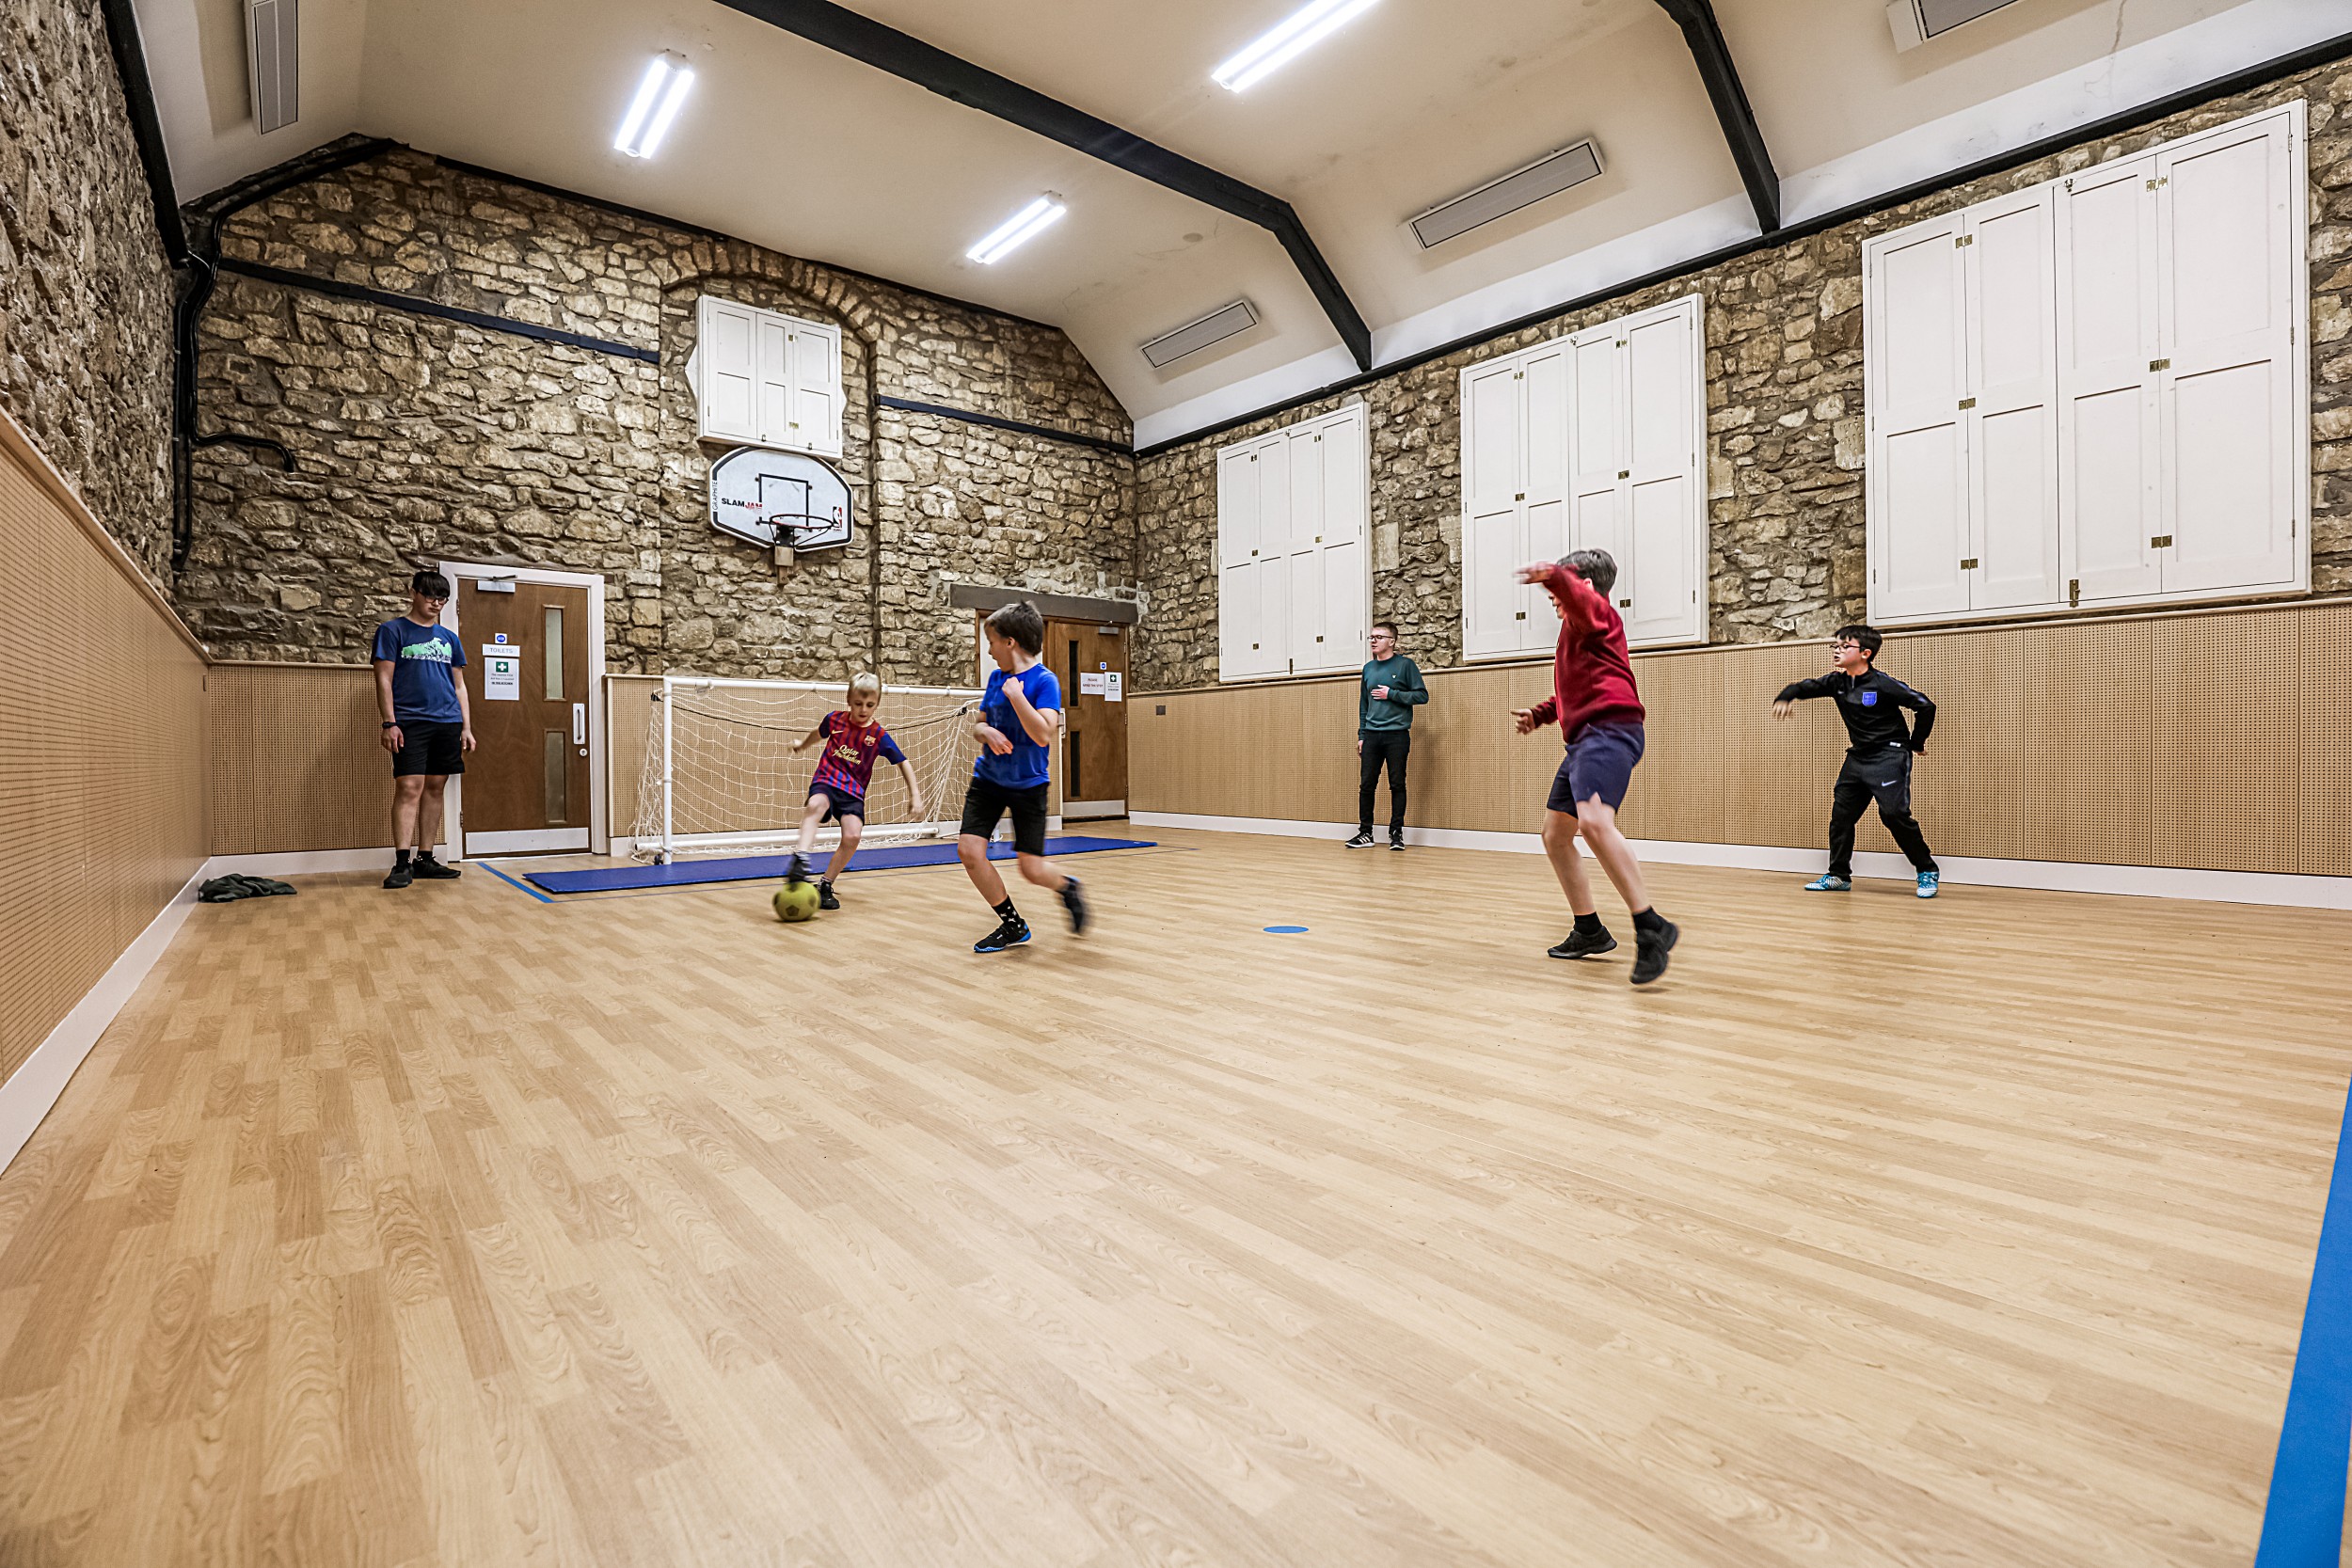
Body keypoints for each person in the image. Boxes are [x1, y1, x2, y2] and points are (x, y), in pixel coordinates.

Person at [1511, 550, 1679, 985]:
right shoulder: (1578, 629)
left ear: (1584, 585)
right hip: (1584, 740)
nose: (1553, 596)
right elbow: (1575, 689)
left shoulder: (1597, 611)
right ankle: (1589, 929)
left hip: (1609, 732)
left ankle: (1650, 926)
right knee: (1556, 835)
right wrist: (1542, 714)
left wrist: (1551, 576)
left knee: (1594, 822)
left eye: (1566, 583)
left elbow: (1578, 599)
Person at [958, 602, 1089, 953]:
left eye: (993, 642)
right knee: (969, 851)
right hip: (988, 780)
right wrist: (986, 732)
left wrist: (1017, 699)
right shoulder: (996, 678)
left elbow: (1044, 733)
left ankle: (1067, 887)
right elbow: (979, 723)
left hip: (1028, 785)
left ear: (1010, 642)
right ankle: (1013, 924)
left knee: (1030, 870)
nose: (989, 649)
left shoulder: (1045, 681)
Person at [1771, 625, 1941, 898]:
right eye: (1835, 646)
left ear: (1865, 653)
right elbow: (1802, 686)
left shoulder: (1883, 683)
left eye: (1843, 646)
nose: (1837, 650)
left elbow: (1925, 705)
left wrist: (1916, 743)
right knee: (1841, 817)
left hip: (1889, 755)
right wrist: (1786, 696)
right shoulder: (1837, 682)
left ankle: (1927, 869)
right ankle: (1838, 875)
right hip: (1858, 757)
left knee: (1893, 814)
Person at [785, 673, 926, 910]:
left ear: (877, 704)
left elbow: (903, 762)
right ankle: (800, 858)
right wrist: (802, 745)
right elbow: (816, 734)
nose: (863, 710)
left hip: (853, 792)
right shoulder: (834, 720)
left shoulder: (879, 736)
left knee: (852, 836)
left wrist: (915, 795)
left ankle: (825, 884)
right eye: (858, 704)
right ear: (849, 699)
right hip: (827, 780)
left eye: (870, 705)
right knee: (815, 806)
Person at [372, 569, 474, 890]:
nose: (436, 603)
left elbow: (459, 686)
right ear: (413, 593)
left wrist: (466, 727)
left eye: (442, 599)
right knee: (409, 788)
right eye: (430, 596)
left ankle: (426, 858)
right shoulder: (392, 631)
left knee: (434, 789)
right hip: (410, 722)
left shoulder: (449, 639)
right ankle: (402, 863)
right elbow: (383, 679)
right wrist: (390, 722)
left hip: (447, 722)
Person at [1346, 623, 1427, 850]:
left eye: (1379, 637)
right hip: (1371, 735)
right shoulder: (1368, 668)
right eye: (1371, 637)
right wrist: (1361, 734)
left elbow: (1422, 696)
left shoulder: (1405, 666)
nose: (1373, 640)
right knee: (1366, 785)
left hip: (1397, 735)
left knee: (1397, 784)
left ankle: (1396, 834)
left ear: (1391, 641)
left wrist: (1391, 694)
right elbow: (1364, 704)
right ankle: (1365, 833)